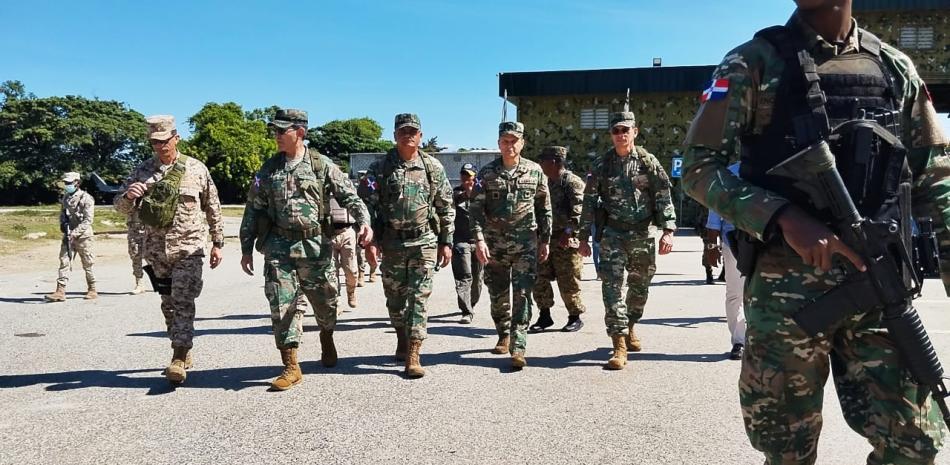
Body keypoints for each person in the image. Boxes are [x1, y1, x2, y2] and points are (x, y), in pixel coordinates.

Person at [682, 1, 950, 462]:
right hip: (787, 295)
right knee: (786, 449)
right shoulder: (753, 62)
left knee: (914, 444)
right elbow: (698, 169)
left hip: (879, 287)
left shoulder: (894, 68)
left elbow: (936, 178)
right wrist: (782, 215)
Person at [240, 108, 370, 391]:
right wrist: (246, 246)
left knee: (325, 303)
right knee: (281, 302)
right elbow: (254, 207)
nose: (276, 136)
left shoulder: (321, 165)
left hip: (315, 246)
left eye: (281, 131)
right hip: (279, 246)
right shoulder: (269, 167)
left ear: (300, 132)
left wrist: (364, 222)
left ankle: (327, 334)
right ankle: (291, 365)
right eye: (274, 130)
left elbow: (350, 196)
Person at [115, 115, 224, 385]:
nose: (160, 146)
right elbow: (119, 206)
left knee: (183, 300)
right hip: (156, 250)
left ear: (176, 138)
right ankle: (181, 345)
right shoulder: (141, 171)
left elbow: (213, 206)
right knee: (168, 304)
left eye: (164, 141)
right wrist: (130, 195)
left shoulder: (196, 169)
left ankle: (178, 356)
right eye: (154, 142)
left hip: (189, 248)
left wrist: (218, 242)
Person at [358, 113, 454, 379]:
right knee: (395, 298)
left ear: (420, 136)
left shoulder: (432, 167)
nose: (408, 135)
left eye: (413, 131)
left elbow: (446, 207)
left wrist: (446, 241)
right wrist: (371, 241)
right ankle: (401, 335)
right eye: (403, 131)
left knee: (418, 298)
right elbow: (367, 206)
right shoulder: (380, 168)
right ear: (394, 136)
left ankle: (414, 352)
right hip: (391, 242)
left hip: (423, 240)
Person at [579, 111, 677, 371]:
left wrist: (668, 229)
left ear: (635, 131)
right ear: (611, 135)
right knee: (611, 288)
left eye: (625, 130)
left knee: (639, 289)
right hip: (613, 234)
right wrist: (582, 238)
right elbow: (588, 202)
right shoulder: (602, 165)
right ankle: (619, 343)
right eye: (616, 131)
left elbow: (663, 195)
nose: (621, 135)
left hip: (643, 234)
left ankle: (631, 325)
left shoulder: (648, 162)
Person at [471, 121, 552, 369]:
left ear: (522, 143)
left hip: (525, 244)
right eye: (505, 141)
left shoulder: (535, 171)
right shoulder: (486, 174)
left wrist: (545, 240)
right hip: (494, 245)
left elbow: (544, 207)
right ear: (498, 144)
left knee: (523, 294)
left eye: (514, 141)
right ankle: (503, 333)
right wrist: (479, 239)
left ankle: (518, 345)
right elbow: (475, 210)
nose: (510, 145)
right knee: (498, 294)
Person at [530, 146, 586, 333]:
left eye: (543, 160)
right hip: (545, 239)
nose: (540, 164)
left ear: (554, 162)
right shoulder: (543, 182)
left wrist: (568, 231)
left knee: (568, 279)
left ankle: (574, 317)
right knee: (539, 278)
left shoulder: (571, 182)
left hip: (566, 240)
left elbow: (580, 210)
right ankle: (544, 315)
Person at [703, 162, 746, 360]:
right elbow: (715, 212)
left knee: (763, 293)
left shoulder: (773, 167)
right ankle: (739, 341)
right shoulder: (729, 173)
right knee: (735, 293)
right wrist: (711, 246)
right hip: (734, 240)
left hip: (769, 241)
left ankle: (759, 341)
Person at [45, 171, 97, 302]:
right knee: (64, 261)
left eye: (69, 183)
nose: (67, 185)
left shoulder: (86, 198)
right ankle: (60, 291)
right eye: (66, 183)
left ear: (77, 183)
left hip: (84, 236)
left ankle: (92, 288)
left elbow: (88, 220)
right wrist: (63, 225)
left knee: (88, 264)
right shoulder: (66, 197)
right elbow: (63, 213)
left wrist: (75, 233)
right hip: (68, 235)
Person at [451, 163, 483, 324]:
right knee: (464, 277)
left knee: (477, 279)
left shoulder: (483, 193)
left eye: (469, 176)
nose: (466, 179)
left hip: (479, 242)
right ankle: (466, 311)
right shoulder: (456, 194)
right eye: (463, 176)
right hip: (460, 242)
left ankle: (472, 303)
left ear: (475, 177)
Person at [329, 194, 360, 309]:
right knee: (331, 271)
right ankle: (336, 301)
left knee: (351, 270)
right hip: (329, 233)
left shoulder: (344, 188)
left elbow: (358, 205)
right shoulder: (321, 186)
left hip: (347, 232)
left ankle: (351, 292)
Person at [357, 170, 379, 283]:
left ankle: (373, 270)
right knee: (359, 252)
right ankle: (361, 273)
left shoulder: (374, 194)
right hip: (359, 225)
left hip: (372, 225)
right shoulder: (357, 193)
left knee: (371, 251)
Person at [127, 209, 147, 294]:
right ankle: (139, 283)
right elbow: (121, 207)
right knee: (135, 256)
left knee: (155, 257)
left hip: (151, 229)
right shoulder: (131, 196)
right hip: (134, 230)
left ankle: (159, 281)